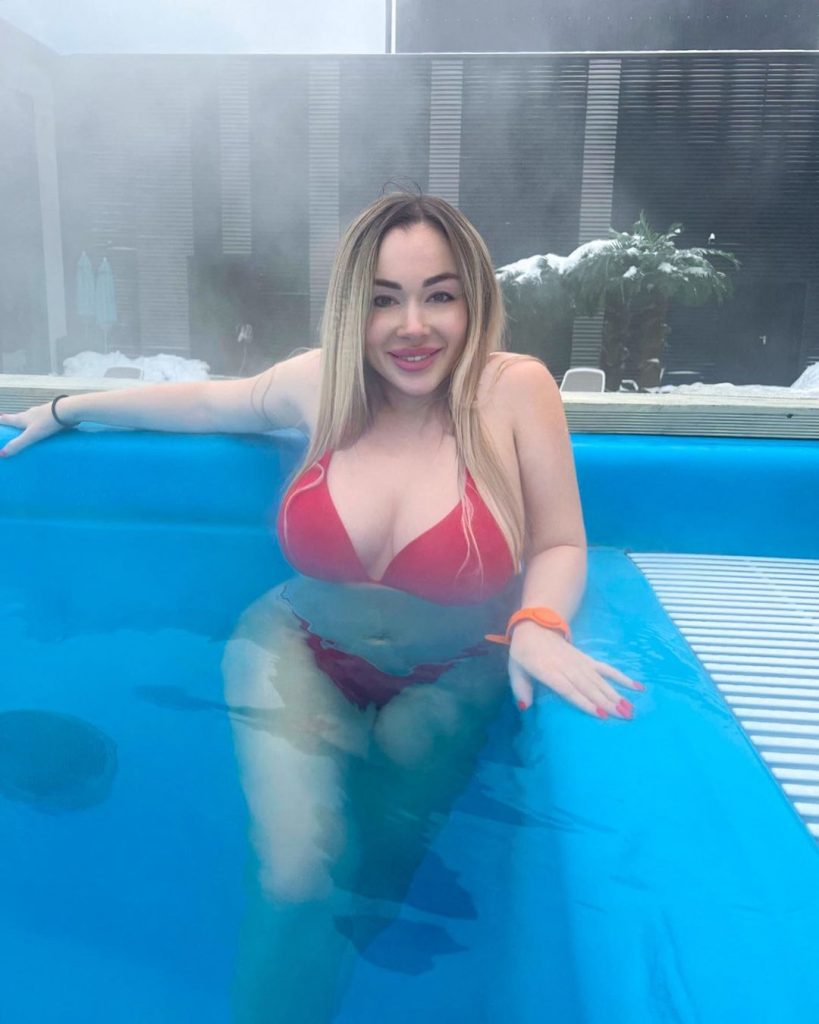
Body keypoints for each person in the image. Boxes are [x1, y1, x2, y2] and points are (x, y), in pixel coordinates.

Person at [0, 193, 642, 1022]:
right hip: (297, 643)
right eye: (383, 299)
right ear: (351, 308)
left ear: (474, 299)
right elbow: (206, 403)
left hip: (453, 666)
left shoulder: (513, 391)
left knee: (376, 872)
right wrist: (63, 409)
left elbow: (558, 542)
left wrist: (539, 624)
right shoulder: (320, 385)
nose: (412, 326)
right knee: (298, 874)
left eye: (439, 296)